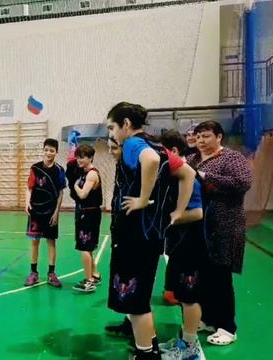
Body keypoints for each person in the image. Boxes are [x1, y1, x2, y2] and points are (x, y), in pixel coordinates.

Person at [106, 102, 195, 360]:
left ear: (125, 124)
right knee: (140, 295)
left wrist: (144, 198)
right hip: (151, 235)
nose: (112, 133)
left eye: (113, 127)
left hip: (134, 236)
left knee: (135, 303)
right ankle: (151, 346)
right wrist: (177, 212)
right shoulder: (159, 145)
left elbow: (151, 160)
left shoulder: (134, 144)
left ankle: (146, 355)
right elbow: (189, 174)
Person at [187, 120, 252, 346]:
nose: (201, 141)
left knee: (221, 278)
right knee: (203, 276)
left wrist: (206, 176)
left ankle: (227, 327)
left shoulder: (231, 158)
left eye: (206, 136)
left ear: (219, 136)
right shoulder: (192, 159)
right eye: (198, 137)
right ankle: (207, 319)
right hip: (199, 226)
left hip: (225, 226)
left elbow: (244, 182)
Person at [159, 129, 207, 359]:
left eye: (163, 151)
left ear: (174, 151)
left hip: (192, 245)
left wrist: (165, 220)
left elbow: (197, 213)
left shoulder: (190, 179)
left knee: (189, 298)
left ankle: (190, 348)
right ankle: (185, 341)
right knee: (181, 295)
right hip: (180, 244)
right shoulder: (176, 177)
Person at [24, 138, 66, 288]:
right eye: (46, 150)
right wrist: (27, 202)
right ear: (43, 150)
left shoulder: (60, 170)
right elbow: (29, 187)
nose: (49, 153)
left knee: (51, 242)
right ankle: (33, 273)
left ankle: (51, 273)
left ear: (56, 152)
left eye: (52, 150)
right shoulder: (35, 168)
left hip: (51, 212)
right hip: (36, 210)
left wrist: (56, 212)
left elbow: (61, 193)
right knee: (34, 242)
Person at [66, 144, 103, 293]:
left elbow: (82, 195)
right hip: (85, 212)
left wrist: (74, 186)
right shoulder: (84, 172)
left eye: (82, 157)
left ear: (90, 158)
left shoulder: (92, 174)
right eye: (78, 157)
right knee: (88, 247)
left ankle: (89, 282)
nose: (79, 160)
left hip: (89, 214)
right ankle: (94, 274)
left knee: (84, 248)